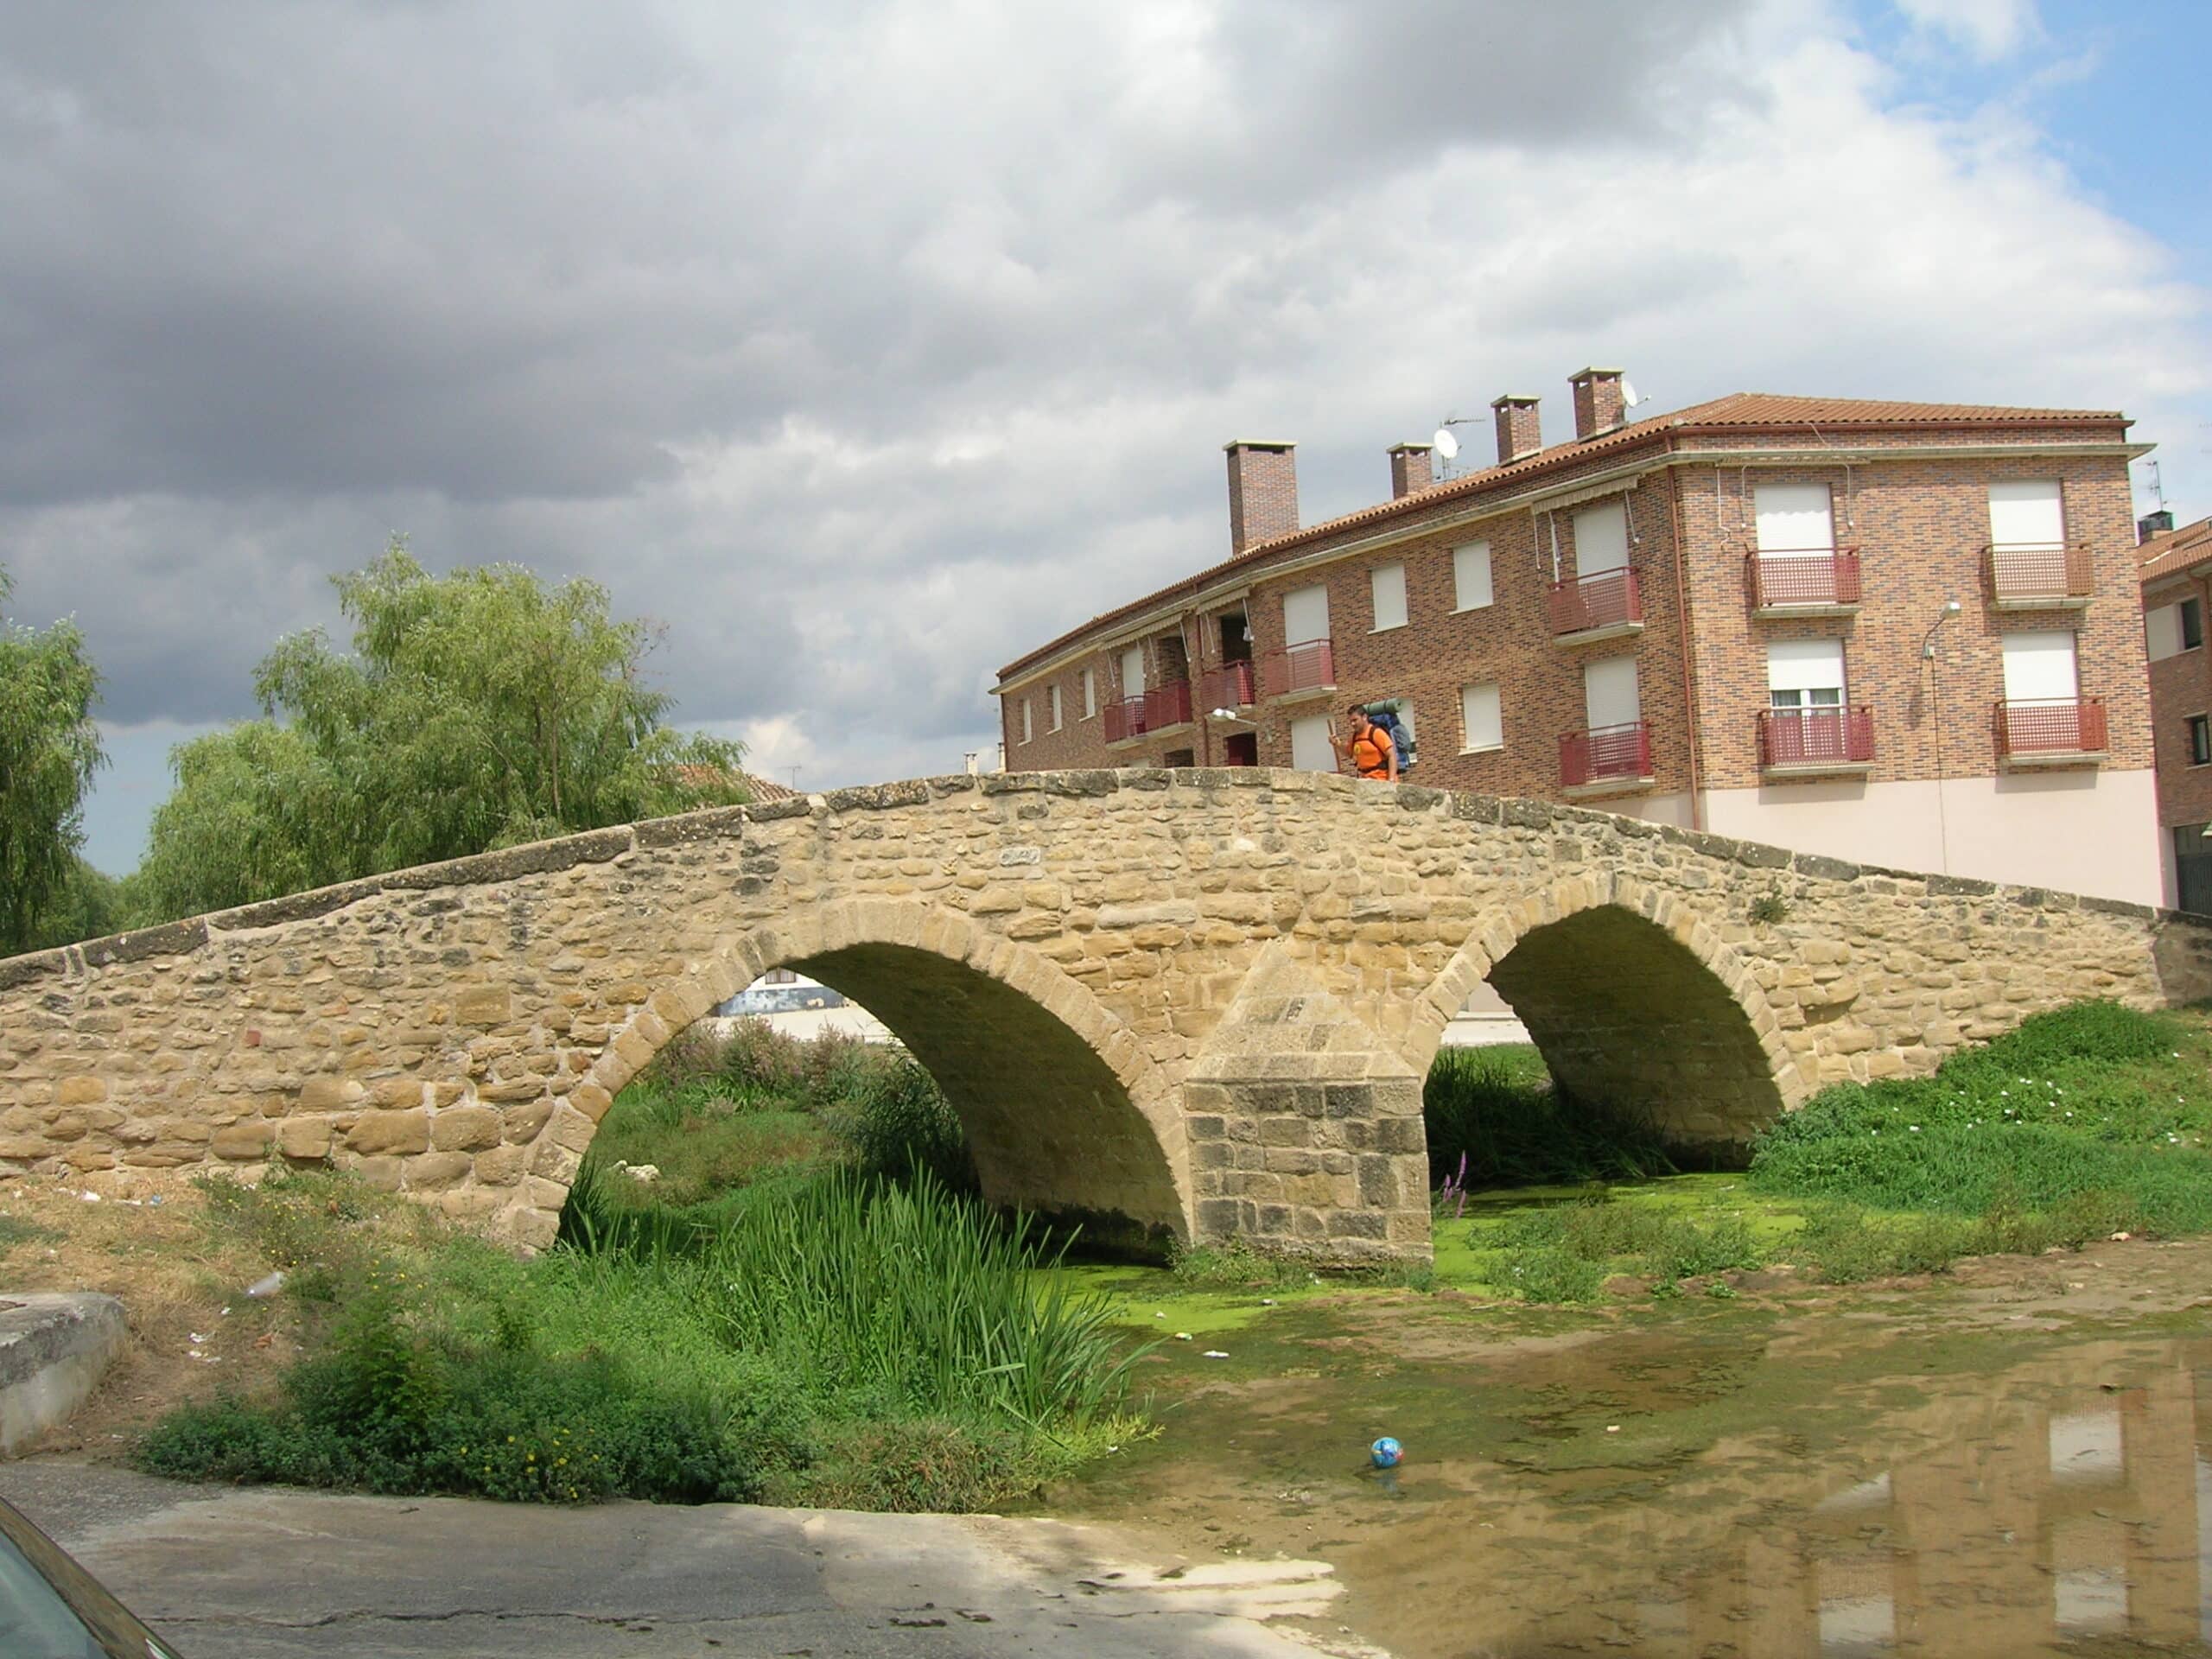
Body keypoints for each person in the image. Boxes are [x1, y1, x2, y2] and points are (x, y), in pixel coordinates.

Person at [1331, 702, 1398, 782]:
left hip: (1382, 779)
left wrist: (1391, 779)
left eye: (1355, 720)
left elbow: (1392, 755)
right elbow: (1348, 753)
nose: (1352, 724)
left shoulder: (1376, 733)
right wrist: (1337, 744)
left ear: (1364, 717)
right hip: (1365, 781)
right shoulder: (1354, 737)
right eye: (1351, 721)